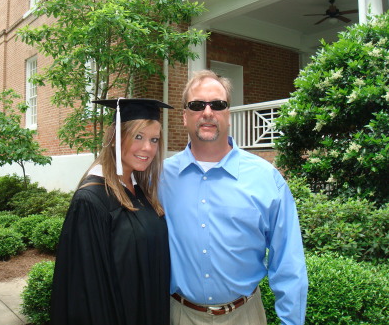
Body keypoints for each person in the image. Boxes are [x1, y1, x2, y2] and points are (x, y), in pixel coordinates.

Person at [159, 70, 308, 325]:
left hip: (244, 316)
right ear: (184, 116)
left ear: (228, 114)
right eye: (197, 105)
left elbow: (288, 264)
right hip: (178, 314)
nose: (208, 112)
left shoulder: (265, 178)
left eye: (217, 104)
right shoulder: (160, 177)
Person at [50, 98, 173, 325]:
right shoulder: (91, 200)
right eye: (138, 136)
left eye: (154, 140)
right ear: (115, 138)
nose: (148, 148)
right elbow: (87, 293)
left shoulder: (139, 191)